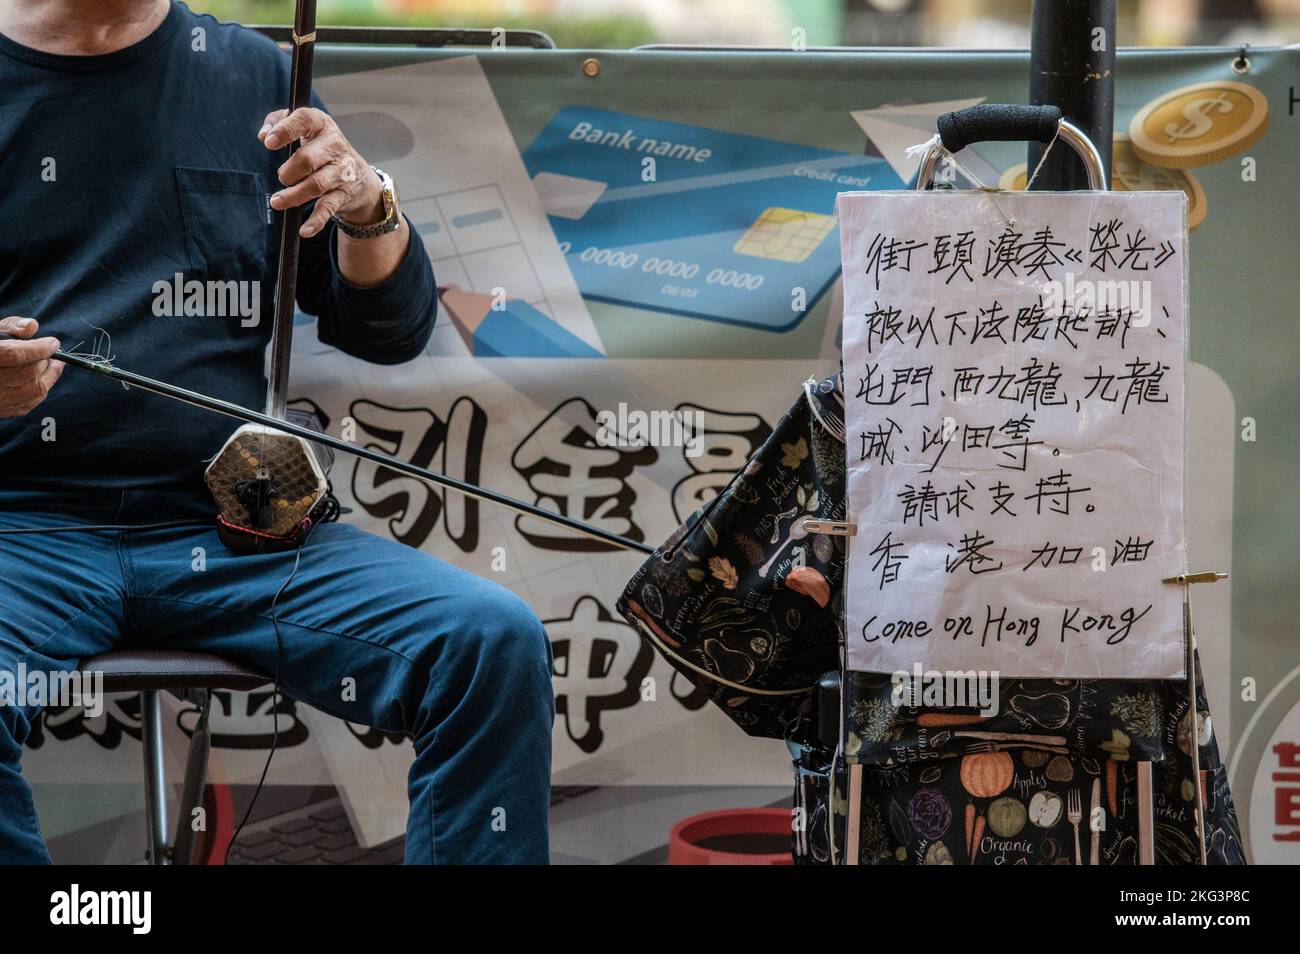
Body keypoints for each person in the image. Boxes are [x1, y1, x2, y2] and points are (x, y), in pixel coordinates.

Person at [0, 0, 554, 865]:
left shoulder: (256, 75)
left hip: (233, 525)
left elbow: (387, 329)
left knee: (487, 641)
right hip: (20, 529)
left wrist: (369, 208)